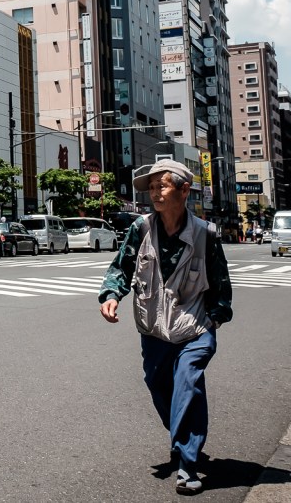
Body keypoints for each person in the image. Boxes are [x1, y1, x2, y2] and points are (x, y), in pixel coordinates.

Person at [98, 159, 233, 496]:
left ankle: (188, 463)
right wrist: (111, 295)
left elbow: (220, 282)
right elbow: (122, 266)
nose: (155, 193)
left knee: (188, 383)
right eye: (152, 188)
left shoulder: (205, 233)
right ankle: (182, 437)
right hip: (155, 329)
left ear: (184, 190)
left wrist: (215, 318)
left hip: (195, 327)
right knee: (159, 387)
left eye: (162, 186)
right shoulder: (141, 228)